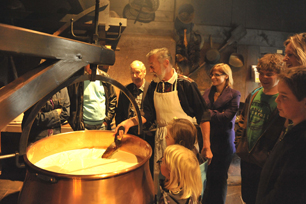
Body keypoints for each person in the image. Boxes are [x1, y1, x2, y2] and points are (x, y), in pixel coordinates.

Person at [115, 48, 211, 190]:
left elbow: (203, 115)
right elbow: (147, 114)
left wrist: (207, 146)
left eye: (152, 65)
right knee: (163, 179)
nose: (150, 69)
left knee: (184, 181)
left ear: (166, 63)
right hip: (163, 138)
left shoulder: (186, 84)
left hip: (184, 139)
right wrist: (128, 122)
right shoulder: (154, 86)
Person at [235, 54, 286, 204]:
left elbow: (284, 131)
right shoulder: (254, 94)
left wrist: (272, 155)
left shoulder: (282, 99)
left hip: (266, 159)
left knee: (262, 198)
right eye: (261, 73)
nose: (264, 77)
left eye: (269, 74)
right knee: (246, 196)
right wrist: (239, 143)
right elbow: (243, 121)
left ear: (279, 74)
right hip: (247, 155)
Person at [255, 66, 306, 204]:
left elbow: (285, 194)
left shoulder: (301, 142)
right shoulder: (294, 130)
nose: (277, 100)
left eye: (284, 96)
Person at [202, 63, 241, 204]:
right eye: (212, 74)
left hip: (224, 143)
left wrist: (207, 113)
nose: (213, 77)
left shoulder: (234, 94)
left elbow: (226, 118)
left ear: (226, 76)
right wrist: (216, 114)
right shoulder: (207, 92)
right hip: (208, 139)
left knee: (220, 178)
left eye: (217, 75)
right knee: (208, 176)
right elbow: (206, 112)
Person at [165, 118, 207, 197]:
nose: (165, 137)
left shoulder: (184, 163)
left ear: (179, 143)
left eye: (168, 137)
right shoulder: (193, 153)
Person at [68, 64, 117, 130]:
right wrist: (76, 124)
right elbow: (71, 101)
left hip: (102, 125)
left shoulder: (104, 77)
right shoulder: (79, 80)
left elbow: (112, 99)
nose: (89, 66)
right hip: (84, 126)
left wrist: (107, 120)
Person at [115, 60, 150, 136]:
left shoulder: (151, 89)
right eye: (132, 73)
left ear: (144, 72)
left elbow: (151, 113)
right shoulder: (125, 89)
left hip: (146, 132)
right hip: (128, 131)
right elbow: (119, 112)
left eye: (137, 72)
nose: (134, 76)